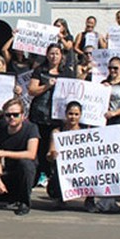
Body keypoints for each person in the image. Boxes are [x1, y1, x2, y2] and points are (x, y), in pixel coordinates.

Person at [0, 98, 40, 216]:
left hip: (27, 173)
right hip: (10, 173)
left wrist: (4, 153)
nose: (12, 118)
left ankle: (24, 202)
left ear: (22, 115)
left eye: (15, 115)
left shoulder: (31, 128)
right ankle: (13, 196)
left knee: (25, 163)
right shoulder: (1, 131)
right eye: (8, 115)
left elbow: (31, 154)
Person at [28, 43, 74, 186]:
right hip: (39, 114)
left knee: (53, 148)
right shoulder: (39, 70)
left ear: (62, 56)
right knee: (39, 147)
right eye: (51, 53)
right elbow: (32, 90)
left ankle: (52, 177)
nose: (54, 56)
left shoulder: (67, 73)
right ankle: (37, 175)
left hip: (57, 117)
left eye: (57, 54)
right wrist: (47, 85)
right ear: (47, 55)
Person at [46, 101, 83, 205]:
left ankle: (89, 200)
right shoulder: (57, 132)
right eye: (70, 114)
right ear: (66, 114)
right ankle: (60, 197)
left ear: (80, 115)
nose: (73, 117)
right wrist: (53, 155)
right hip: (63, 169)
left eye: (76, 114)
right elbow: (49, 155)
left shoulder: (86, 133)